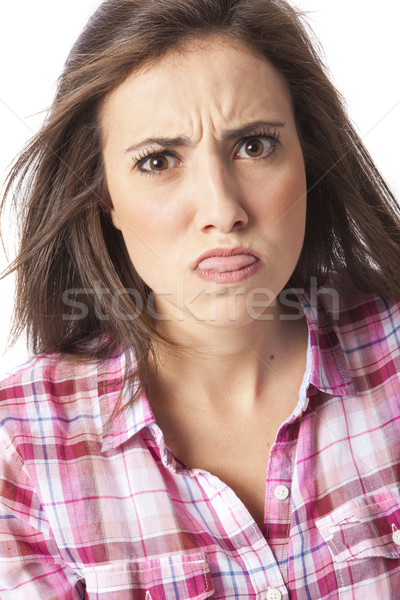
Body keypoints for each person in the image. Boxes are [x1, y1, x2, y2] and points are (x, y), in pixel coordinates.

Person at [1, 0, 400, 597]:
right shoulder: (20, 452)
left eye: (255, 146)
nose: (223, 211)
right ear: (104, 195)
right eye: (158, 161)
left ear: (309, 155)